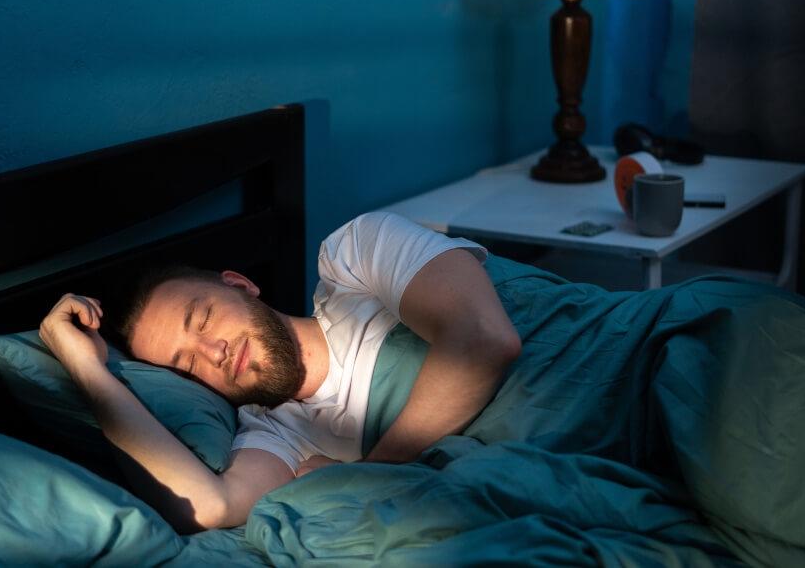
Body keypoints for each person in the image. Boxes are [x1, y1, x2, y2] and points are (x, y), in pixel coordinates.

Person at [39, 212, 522, 532]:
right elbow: (210, 506)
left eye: (204, 319)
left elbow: (483, 338)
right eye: (187, 365)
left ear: (242, 284)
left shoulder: (355, 259)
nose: (215, 351)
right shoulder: (276, 436)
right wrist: (89, 372)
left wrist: (375, 469)